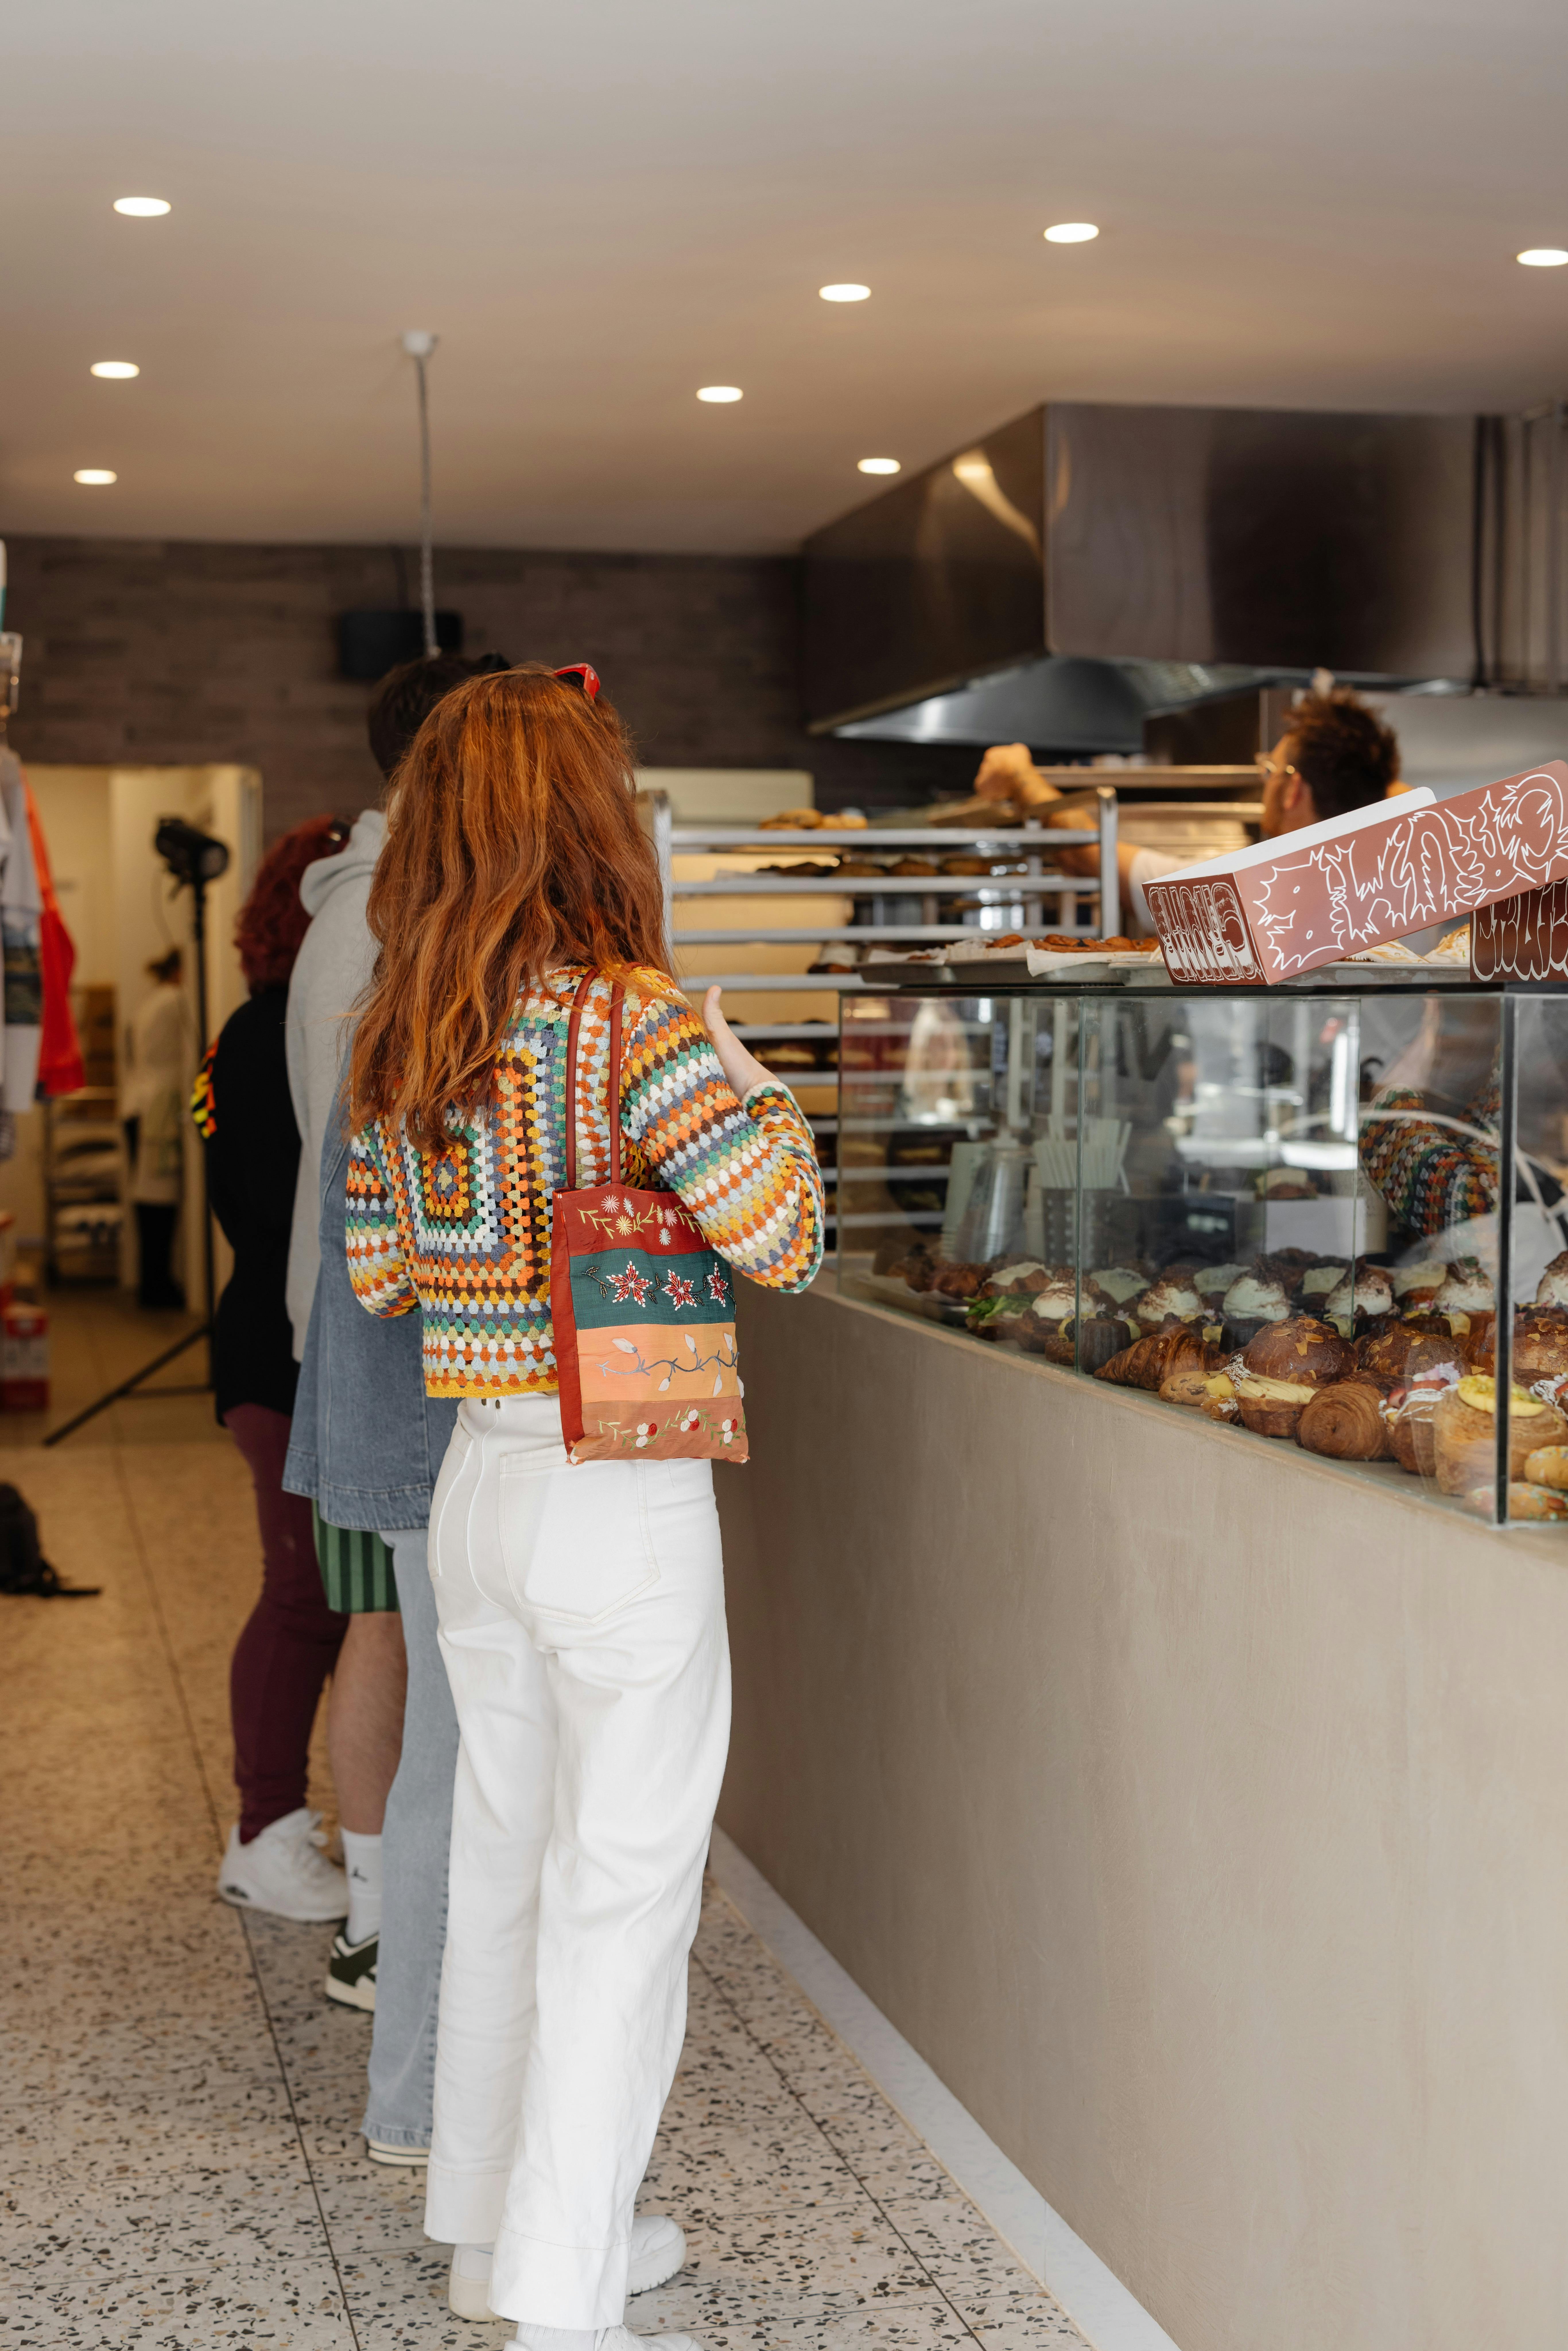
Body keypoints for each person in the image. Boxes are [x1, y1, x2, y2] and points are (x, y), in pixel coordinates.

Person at [344, 664, 825, 2349]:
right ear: (588, 821)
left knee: (501, 1856)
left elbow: (381, 1272)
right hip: (615, 1499)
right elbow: (780, 1230)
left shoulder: (404, 1025)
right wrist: (747, 1081)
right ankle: (561, 2294)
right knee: (619, 1892)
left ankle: (488, 2230)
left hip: (475, 1482)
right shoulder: (634, 1020)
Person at [282, 654, 491, 2086]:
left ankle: (393, 1956)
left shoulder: (381, 916)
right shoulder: (383, 925)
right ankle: (388, 1962)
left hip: (384, 1334)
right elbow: (390, 1182)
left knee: (415, 1656)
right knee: (410, 1660)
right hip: (396, 1347)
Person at [973, 682, 1403, 932]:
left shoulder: (1253, 893)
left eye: (1270, 770)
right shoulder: (1396, 891)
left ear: (1294, 791)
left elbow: (1084, 851)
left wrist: (1019, 774)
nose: (1264, 782)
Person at [124, 946, 190, 1307]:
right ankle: (156, 1285)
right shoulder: (175, 1000)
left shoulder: (150, 1003)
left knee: (150, 1199)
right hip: (158, 1109)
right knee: (158, 1201)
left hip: (140, 1104)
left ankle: (154, 1280)